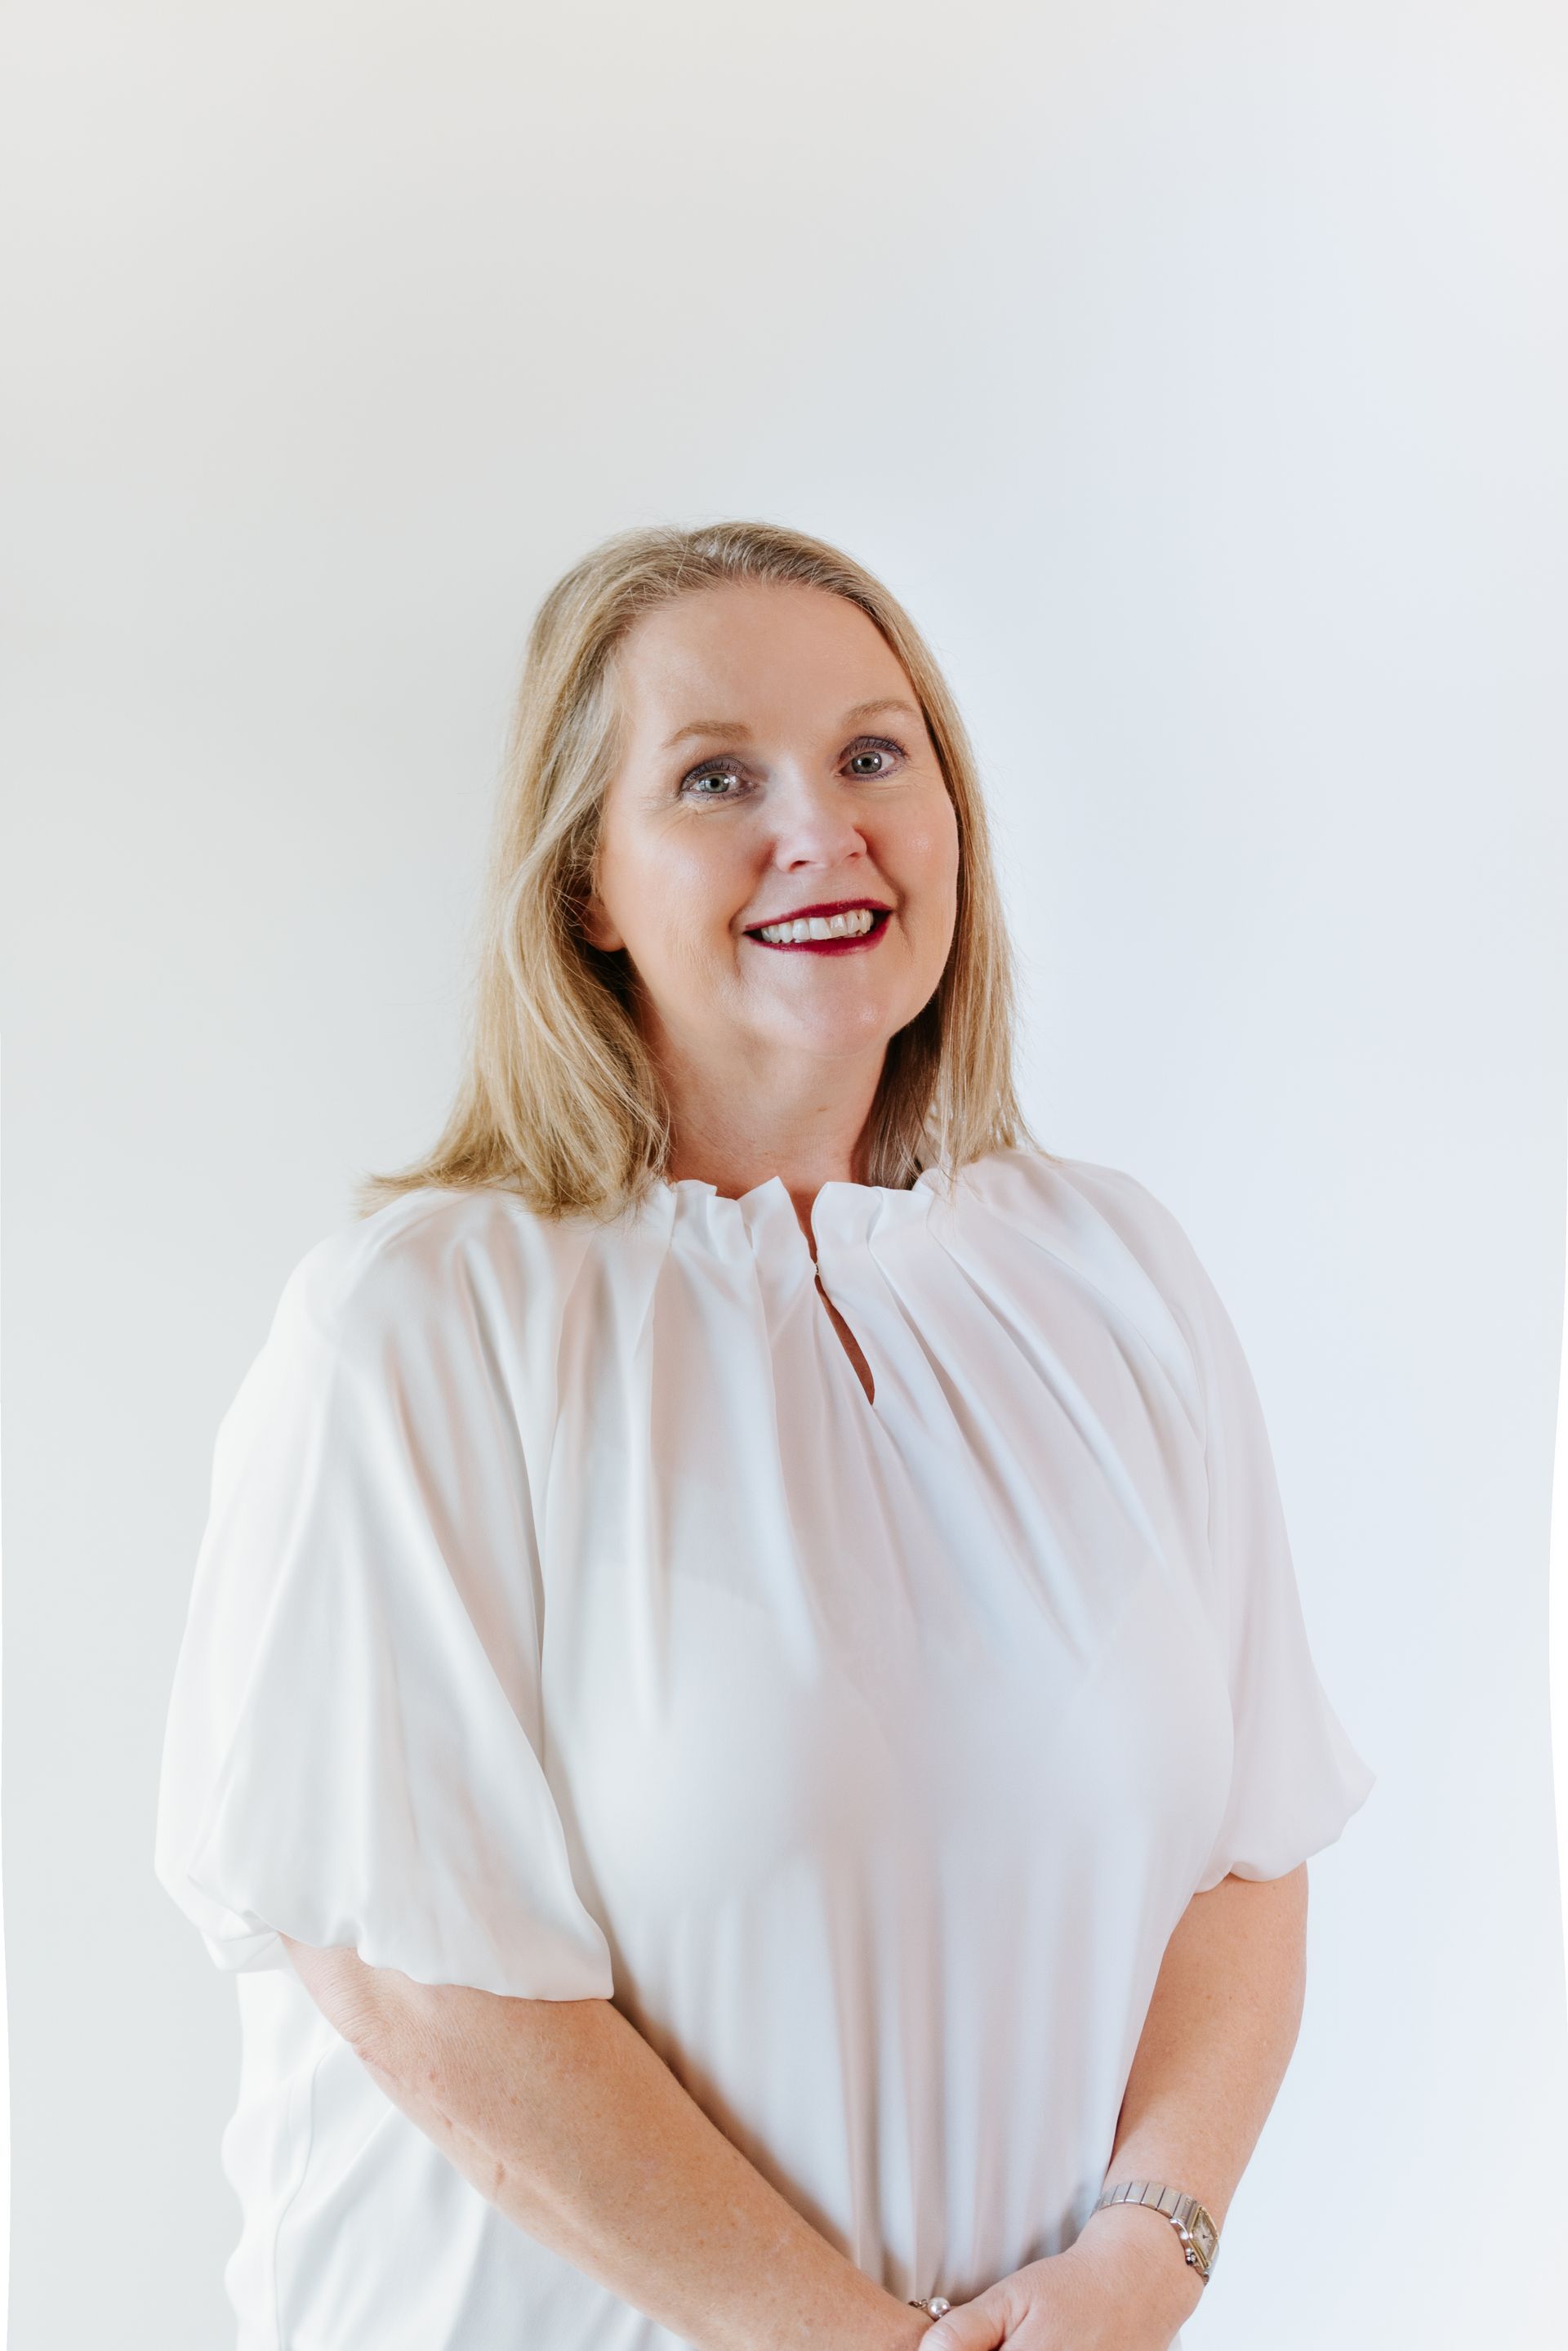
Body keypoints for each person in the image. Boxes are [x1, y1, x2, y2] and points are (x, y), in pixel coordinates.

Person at [154, 518, 1376, 2351]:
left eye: (875, 754)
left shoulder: (1112, 1280)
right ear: (586, 885)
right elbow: (425, 1991)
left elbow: (1247, 1849)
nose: (822, 826)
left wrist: (1145, 2251)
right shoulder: (421, 1328)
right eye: (716, 775)